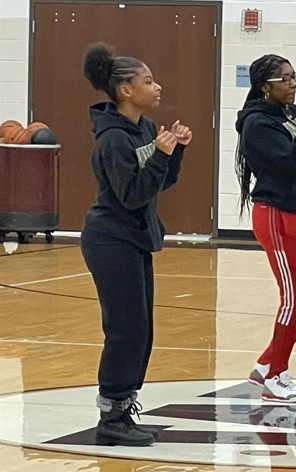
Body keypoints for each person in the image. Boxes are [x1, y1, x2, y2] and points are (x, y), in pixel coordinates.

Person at [81, 42, 192, 446]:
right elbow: (130, 194)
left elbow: (159, 183)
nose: (157, 86)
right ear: (126, 89)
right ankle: (110, 416)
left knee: (141, 330)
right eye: (148, 80)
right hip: (110, 239)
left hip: (134, 238)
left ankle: (125, 408)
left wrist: (173, 153)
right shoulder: (112, 140)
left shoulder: (143, 129)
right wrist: (162, 156)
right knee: (125, 330)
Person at [235, 54, 296, 402]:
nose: (294, 84)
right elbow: (292, 162)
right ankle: (276, 375)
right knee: (295, 297)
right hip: (278, 214)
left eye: (295, 77)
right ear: (266, 86)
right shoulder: (257, 124)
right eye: (286, 79)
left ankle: (265, 363)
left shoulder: (293, 116)